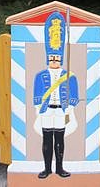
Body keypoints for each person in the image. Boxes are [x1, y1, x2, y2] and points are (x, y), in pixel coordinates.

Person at [32, 12, 79, 179]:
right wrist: (39, 107)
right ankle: (47, 169)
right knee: (46, 140)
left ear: (60, 60)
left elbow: (74, 94)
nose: (54, 62)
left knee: (59, 139)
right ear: (48, 59)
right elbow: (37, 93)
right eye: (51, 59)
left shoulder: (69, 76)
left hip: (61, 111)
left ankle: (59, 168)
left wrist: (70, 109)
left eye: (57, 59)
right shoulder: (40, 76)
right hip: (46, 110)